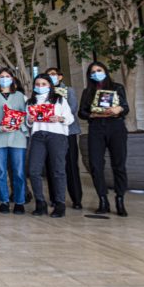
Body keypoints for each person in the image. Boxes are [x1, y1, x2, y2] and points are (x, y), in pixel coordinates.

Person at [78, 62, 130, 216]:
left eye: (99, 70)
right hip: (96, 128)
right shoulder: (88, 91)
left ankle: (120, 199)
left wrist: (118, 109)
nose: (96, 73)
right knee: (95, 165)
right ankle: (102, 199)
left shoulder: (117, 87)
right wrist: (92, 114)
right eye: (93, 72)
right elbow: (81, 112)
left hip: (116, 127)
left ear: (105, 71)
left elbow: (125, 107)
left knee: (119, 164)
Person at [25, 74, 75, 218]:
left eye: (44, 84)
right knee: (33, 170)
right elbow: (28, 123)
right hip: (38, 136)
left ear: (50, 85)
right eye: (38, 84)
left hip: (57, 135)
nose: (40, 87)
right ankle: (40, 202)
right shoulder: (30, 102)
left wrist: (60, 118)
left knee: (58, 170)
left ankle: (60, 204)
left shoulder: (59, 99)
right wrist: (29, 120)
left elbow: (70, 118)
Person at [0, 68, 29, 214]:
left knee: (18, 172)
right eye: (2, 76)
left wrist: (19, 123)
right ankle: (3, 201)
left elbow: (25, 115)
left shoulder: (19, 95)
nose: (4, 79)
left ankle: (19, 201)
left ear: (12, 78)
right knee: (0, 172)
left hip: (18, 138)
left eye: (7, 76)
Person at [45, 67, 83, 209]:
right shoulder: (44, 92)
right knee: (51, 165)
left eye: (53, 74)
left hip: (68, 132)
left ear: (60, 77)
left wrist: (59, 116)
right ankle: (55, 198)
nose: (51, 77)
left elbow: (72, 109)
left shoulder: (69, 91)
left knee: (71, 166)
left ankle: (76, 198)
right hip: (50, 132)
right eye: (48, 75)